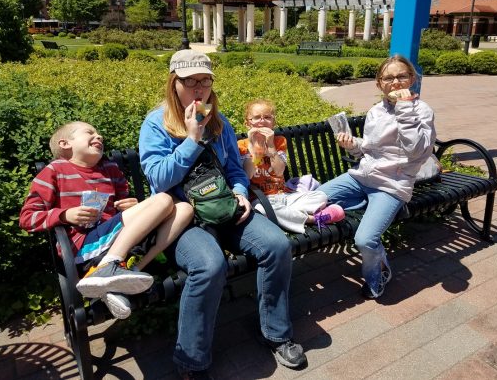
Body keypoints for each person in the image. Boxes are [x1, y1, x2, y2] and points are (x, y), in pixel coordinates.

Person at [139, 50, 307, 379]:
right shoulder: (156, 124)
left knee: (276, 245)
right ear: (174, 84)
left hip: (224, 206)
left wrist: (242, 194)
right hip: (183, 218)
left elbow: (234, 169)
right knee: (209, 264)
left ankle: (275, 333)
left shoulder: (219, 122)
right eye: (190, 81)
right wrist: (191, 138)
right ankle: (191, 360)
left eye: (205, 80)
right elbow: (159, 179)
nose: (199, 88)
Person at [19, 121, 194, 319]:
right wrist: (64, 215)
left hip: (118, 239)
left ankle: (125, 273)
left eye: (99, 132)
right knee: (163, 199)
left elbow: (121, 203)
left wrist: (130, 204)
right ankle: (108, 267)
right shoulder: (55, 171)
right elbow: (27, 218)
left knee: (185, 209)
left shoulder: (109, 169)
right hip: (85, 248)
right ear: (65, 144)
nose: (99, 136)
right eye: (89, 132)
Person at [318, 55, 436, 299]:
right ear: (379, 83)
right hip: (362, 177)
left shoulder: (422, 111)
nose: (395, 82)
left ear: (412, 79)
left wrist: (404, 108)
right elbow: (369, 148)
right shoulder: (375, 111)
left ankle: (378, 273)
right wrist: (352, 145)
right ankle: (364, 203)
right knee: (313, 198)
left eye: (401, 76)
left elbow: (417, 152)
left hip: (391, 186)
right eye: (388, 78)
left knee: (365, 239)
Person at [238, 98, 345, 233]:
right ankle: (313, 219)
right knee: (261, 211)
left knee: (320, 196)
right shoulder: (242, 145)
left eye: (267, 117)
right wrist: (255, 149)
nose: (262, 121)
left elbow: (278, 171)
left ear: (273, 122)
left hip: (284, 196)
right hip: (261, 199)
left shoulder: (278, 141)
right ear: (248, 123)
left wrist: (270, 146)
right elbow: (248, 175)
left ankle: (289, 216)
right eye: (256, 117)